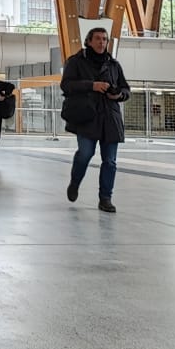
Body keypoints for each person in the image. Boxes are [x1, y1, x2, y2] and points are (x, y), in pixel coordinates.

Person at [60, 26, 130, 212]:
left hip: (110, 118)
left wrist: (118, 95)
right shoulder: (75, 62)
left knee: (110, 161)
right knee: (85, 153)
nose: (101, 42)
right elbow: (66, 85)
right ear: (89, 41)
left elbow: (126, 89)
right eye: (97, 38)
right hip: (87, 116)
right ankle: (75, 183)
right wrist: (92, 85)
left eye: (104, 39)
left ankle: (105, 198)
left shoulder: (114, 65)